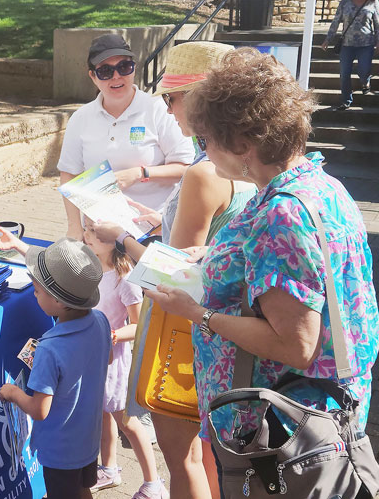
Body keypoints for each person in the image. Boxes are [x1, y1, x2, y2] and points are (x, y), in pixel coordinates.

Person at [142, 47, 378, 490]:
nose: (202, 151)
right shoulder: (320, 184)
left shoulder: (281, 214)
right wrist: (210, 259)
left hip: (279, 436)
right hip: (311, 415)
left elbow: (296, 345)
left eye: (204, 141)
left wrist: (200, 314)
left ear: (243, 145)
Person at [89, 41, 256, 499]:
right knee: (211, 456)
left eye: (172, 97)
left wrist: (120, 239)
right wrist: (159, 224)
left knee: (182, 459)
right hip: (228, 332)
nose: (168, 108)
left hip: (188, 334)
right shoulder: (248, 161)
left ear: (202, 100)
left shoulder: (204, 173)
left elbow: (174, 276)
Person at [0, 233, 110, 499]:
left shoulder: (50, 347)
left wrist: (11, 392)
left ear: (58, 302)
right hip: (88, 440)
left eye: (36, 291)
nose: (33, 296)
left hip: (61, 453)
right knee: (83, 489)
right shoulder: (101, 320)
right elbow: (108, 358)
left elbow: (39, 410)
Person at [58, 33, 195, 241]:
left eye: (124, 67)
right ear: (92, 76)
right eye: (105, 71)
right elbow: (69, 174)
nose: (116, 77)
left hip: (152, 230)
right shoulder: (81, 118)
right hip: (100, 236)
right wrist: (74, 227)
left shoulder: (159, 109)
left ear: (134, 68)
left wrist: (140, 173)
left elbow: (187, 168)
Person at [82, 217, 169, 499]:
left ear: (116, 238)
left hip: (114, 360)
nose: (87, 234)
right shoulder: (90, 266)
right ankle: (109, 468)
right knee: (104, 415)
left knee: (128, 422)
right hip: (95, 355)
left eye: (95, 231)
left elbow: (141, 323)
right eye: (87, 227)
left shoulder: (126, 278)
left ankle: (154, 484)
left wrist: (114, 335)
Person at [321, 0, 379, 110]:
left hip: (366, 44)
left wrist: (378, 41)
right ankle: (346, 100)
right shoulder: (344, 2)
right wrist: (328, 39)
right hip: (347, 45)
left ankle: (365, 81)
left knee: (364, 70)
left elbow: (377, 24)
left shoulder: (372, 2)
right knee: (344, 73)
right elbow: (336, 21)